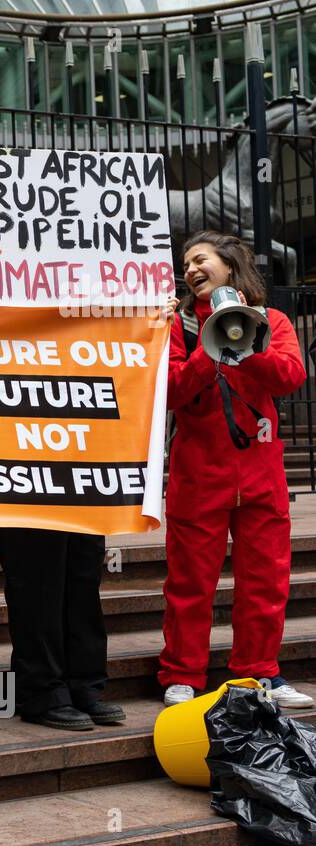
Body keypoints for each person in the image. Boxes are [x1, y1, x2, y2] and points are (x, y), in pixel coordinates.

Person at [0, 276, 126, 731]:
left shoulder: (83, 284)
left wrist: (146, 313)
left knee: (82, 572)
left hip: (80, 446)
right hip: (18, 452)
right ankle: (42, 690)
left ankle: (85, 683)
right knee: (37, 577)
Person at [158, 231, 313, 708]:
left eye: (199, 259)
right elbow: (171, 390)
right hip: (198, 475)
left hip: (260, 474)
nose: (190, 269)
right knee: (189, 583)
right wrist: (211, 349)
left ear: (229, 265)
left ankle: (258, 673)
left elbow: (292, 376)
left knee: (266, 580)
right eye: (185, 264)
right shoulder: (178, 327)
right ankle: (181, 675)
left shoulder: (273, 321)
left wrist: (249, 343)